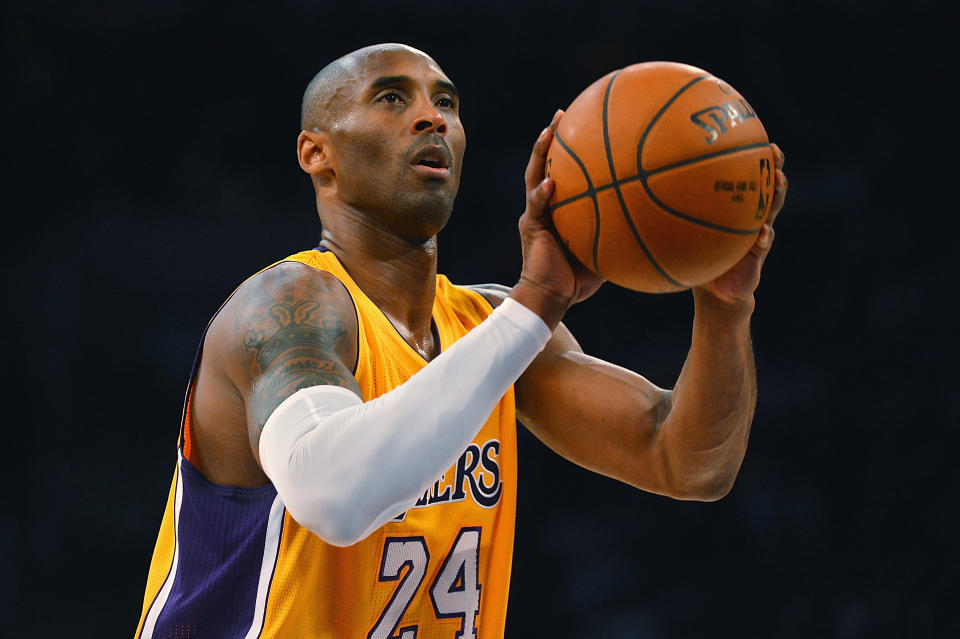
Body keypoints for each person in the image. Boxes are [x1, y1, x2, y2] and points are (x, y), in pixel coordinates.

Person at [135, 43, 788, 639]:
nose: (431, 117)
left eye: (445, 102)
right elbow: (330, 494)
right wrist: (536, 305)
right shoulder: (288, 305)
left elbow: (687, 461)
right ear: (317, 153)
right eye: (392, 98)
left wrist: (725, 307)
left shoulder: (491, 326)